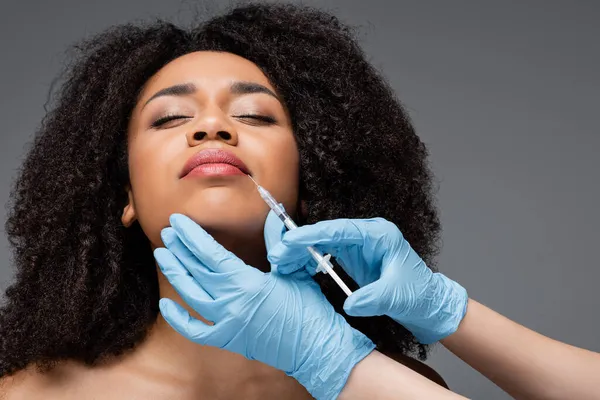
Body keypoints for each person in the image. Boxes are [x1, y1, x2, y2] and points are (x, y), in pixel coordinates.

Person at [0, 3, 450, 399]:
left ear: (312, 182)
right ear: (125, 194)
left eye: (253, 115)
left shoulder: (400, 388)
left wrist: (340, 364)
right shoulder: (26, 395)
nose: (212, 126)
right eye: (171, 118)